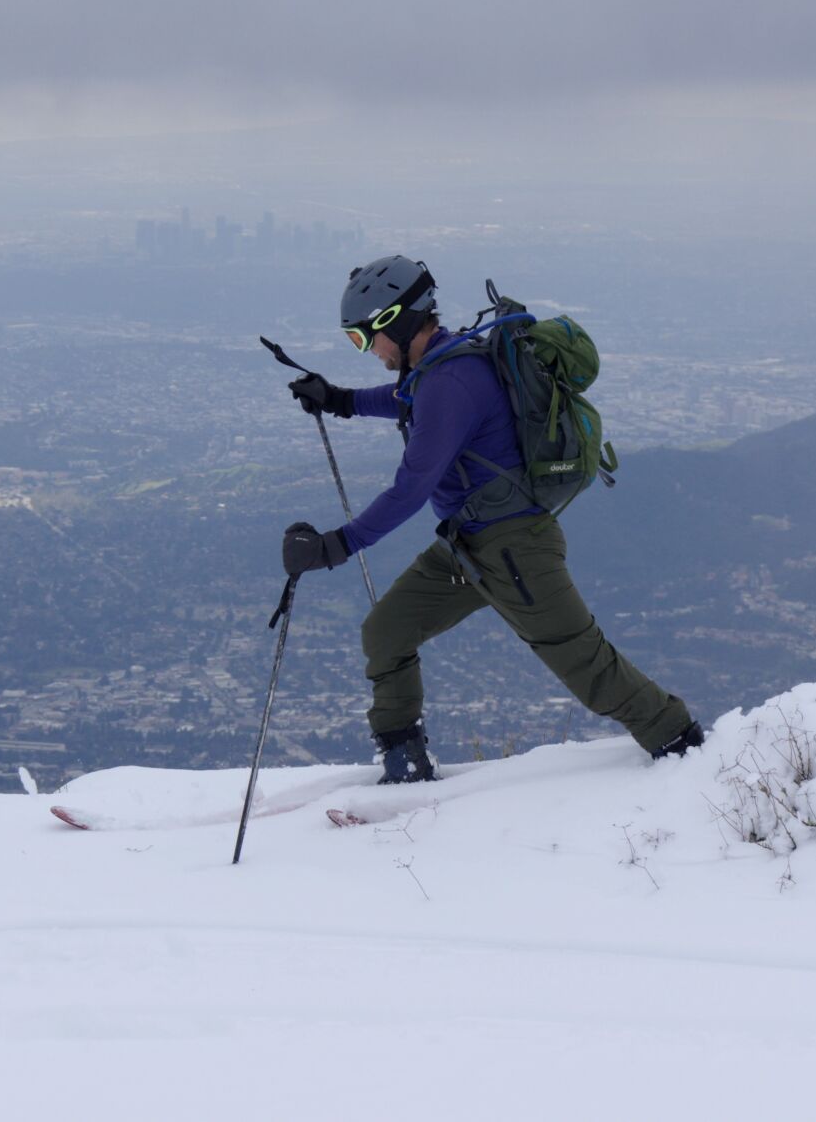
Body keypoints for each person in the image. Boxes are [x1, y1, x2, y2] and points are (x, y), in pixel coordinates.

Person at [282, 255, 704, 784]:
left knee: (583, 662)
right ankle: (404, 762)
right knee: (386, 633)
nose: (369, 352)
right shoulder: (444, 365)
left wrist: (334, 546)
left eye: (364, 339)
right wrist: (341, 401)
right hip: (468, 546)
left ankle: (684, 747)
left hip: (513, 547)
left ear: (395, 321)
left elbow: (411, 487)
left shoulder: (451, 380)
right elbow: (411, 401)